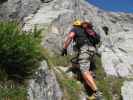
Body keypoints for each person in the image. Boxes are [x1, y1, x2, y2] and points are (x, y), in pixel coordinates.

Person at [61, 20, 100, 99]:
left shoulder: (75, 29)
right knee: (86, 69)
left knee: (84, 71)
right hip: (92, 51)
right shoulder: (86, 31)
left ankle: (96, 93)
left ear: (75, 25)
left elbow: (70, 36)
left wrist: (64, 48)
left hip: (85, 50)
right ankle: (90, 90)